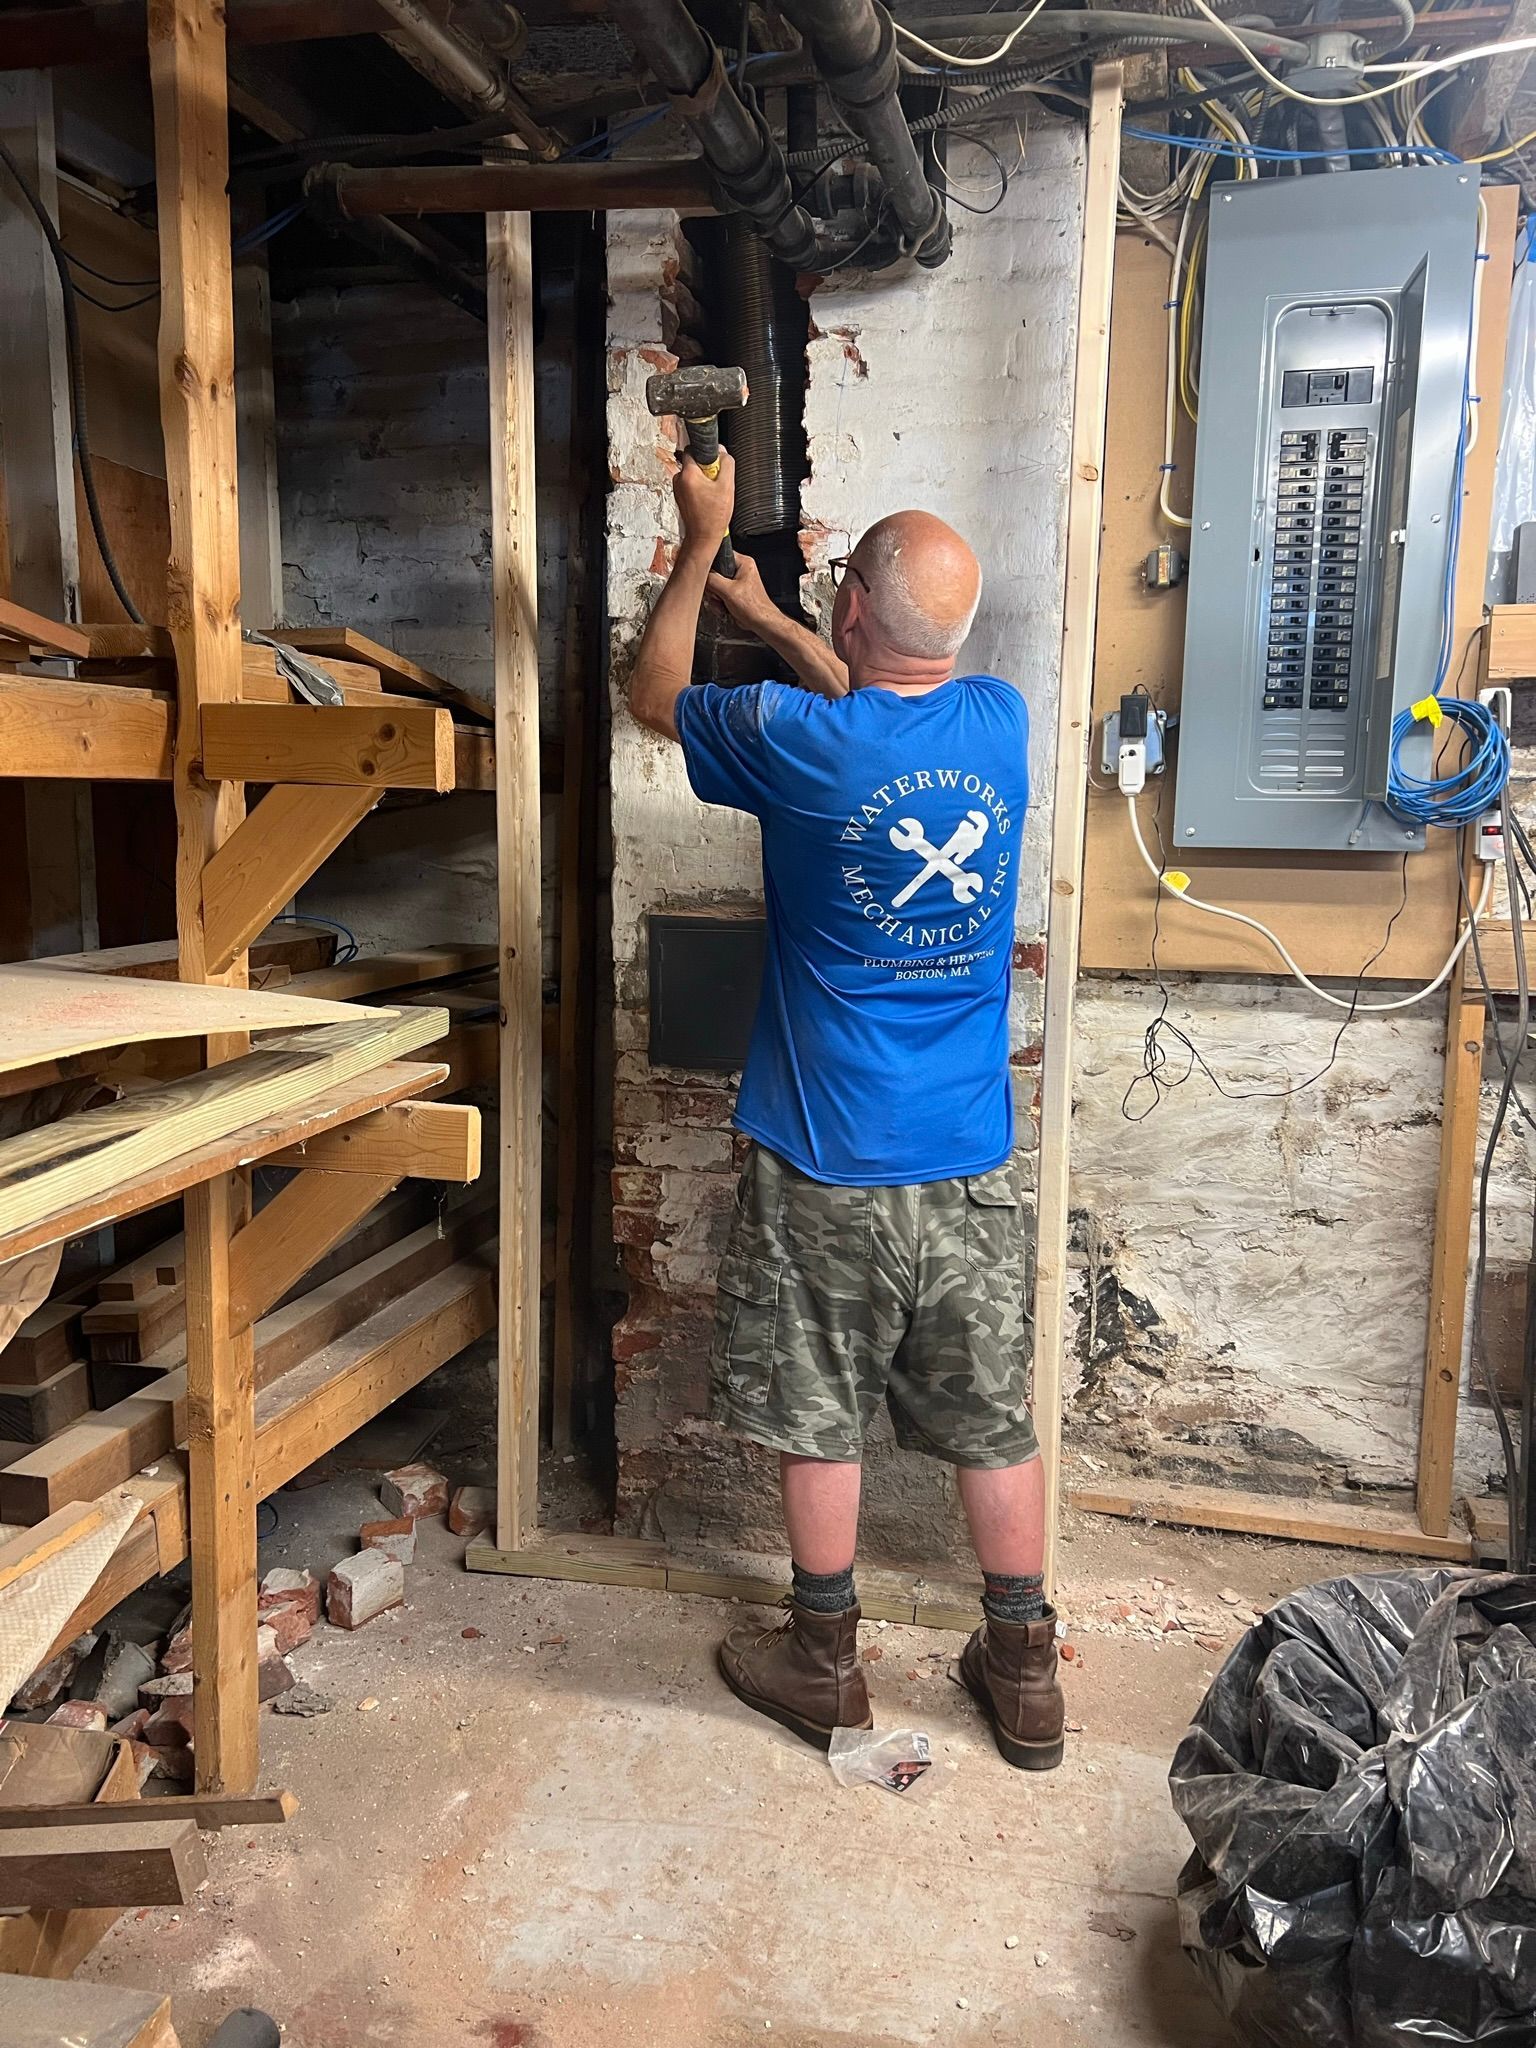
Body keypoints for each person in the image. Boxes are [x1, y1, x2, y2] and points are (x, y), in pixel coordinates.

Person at [627, 448, 1064, 1773]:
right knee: (992, 1416)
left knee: (821, 1413)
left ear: (855, 615)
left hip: (829, 1162)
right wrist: (777, 624)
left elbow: (652, 696)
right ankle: (1026, 1670)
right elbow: (886, 723)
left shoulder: (800, 747)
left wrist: (703, 554)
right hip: (972, 1160)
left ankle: (825, 1659)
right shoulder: (998, 722)